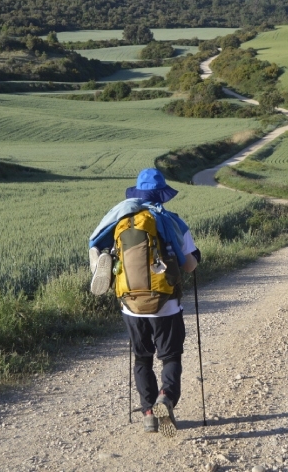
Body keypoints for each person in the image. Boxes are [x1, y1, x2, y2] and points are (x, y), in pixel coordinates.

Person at [88, 168, 200, 436]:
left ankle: (149, 413)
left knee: (142, 358)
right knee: (170, 356)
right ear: (162, 194)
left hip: (130, 305)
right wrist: (194, 258)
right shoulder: (171, 221)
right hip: (166, 305)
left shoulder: (122, 221)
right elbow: (188, 266)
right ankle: (165, 398)